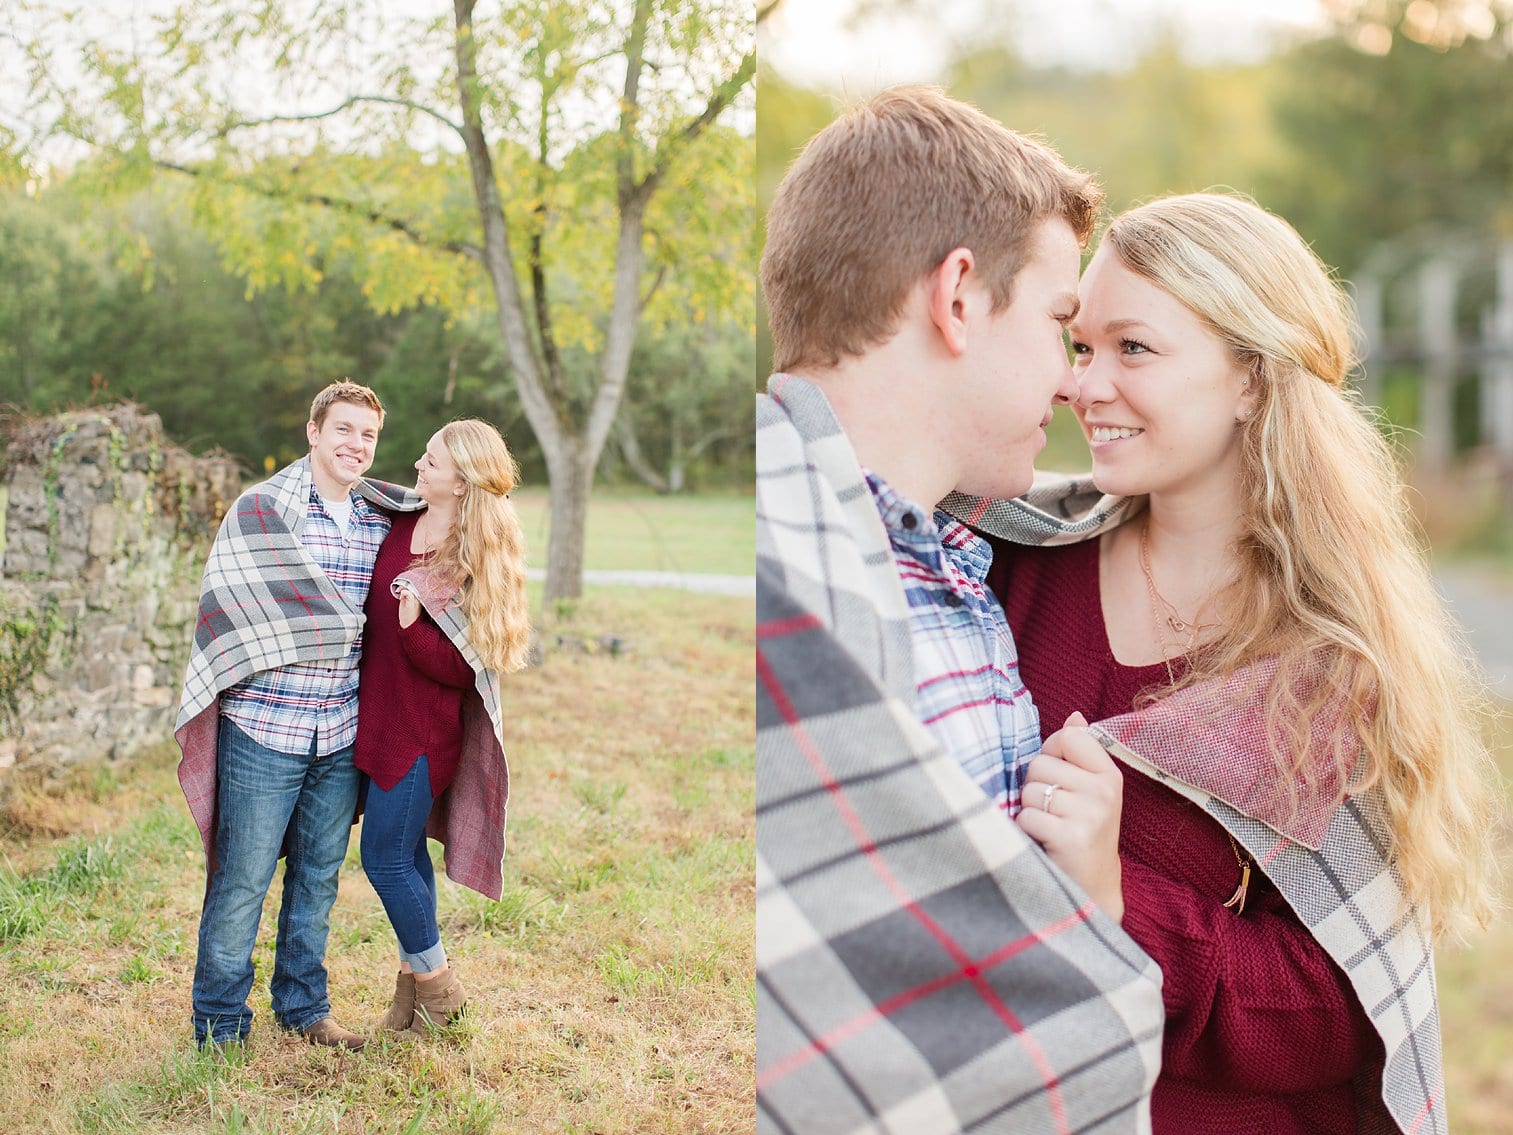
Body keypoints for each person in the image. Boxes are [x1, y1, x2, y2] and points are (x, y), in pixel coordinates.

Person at [954, 193, 1501, 1134]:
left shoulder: (1329, 661)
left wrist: (1116, 898)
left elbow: (1335, 1021)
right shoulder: (1003, 557)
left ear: (1250, 377)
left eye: (1134, 349)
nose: (1084, 386)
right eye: (1082, 347)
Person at [755, 85, 1165, 1134]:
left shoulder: (945, 557)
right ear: (958, 298)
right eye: (1060, 326)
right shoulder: (784, 568)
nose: (1074, 384)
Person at [176, 380, 420, 1050]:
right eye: (343, 430)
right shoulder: (263, 513)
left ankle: (303, 1007)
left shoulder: (379, 521)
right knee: (242, 881)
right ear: (313, 432)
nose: (356, 445)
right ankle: (220, 1024)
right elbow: (228, 610)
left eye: (367, 435)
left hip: (339, 730)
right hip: (265, 727)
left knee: (316, 878)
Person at [354, 418, 531, 1035]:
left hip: (423, 733)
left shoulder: (473, 555)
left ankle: (440, 988)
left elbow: (470, 668)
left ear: (462, 481)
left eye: (432, 461)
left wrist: (412, 627)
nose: (418, 466)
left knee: (382, 858)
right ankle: (410, 1005)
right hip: (375, 717)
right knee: (405, 855)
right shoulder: (397, 521)